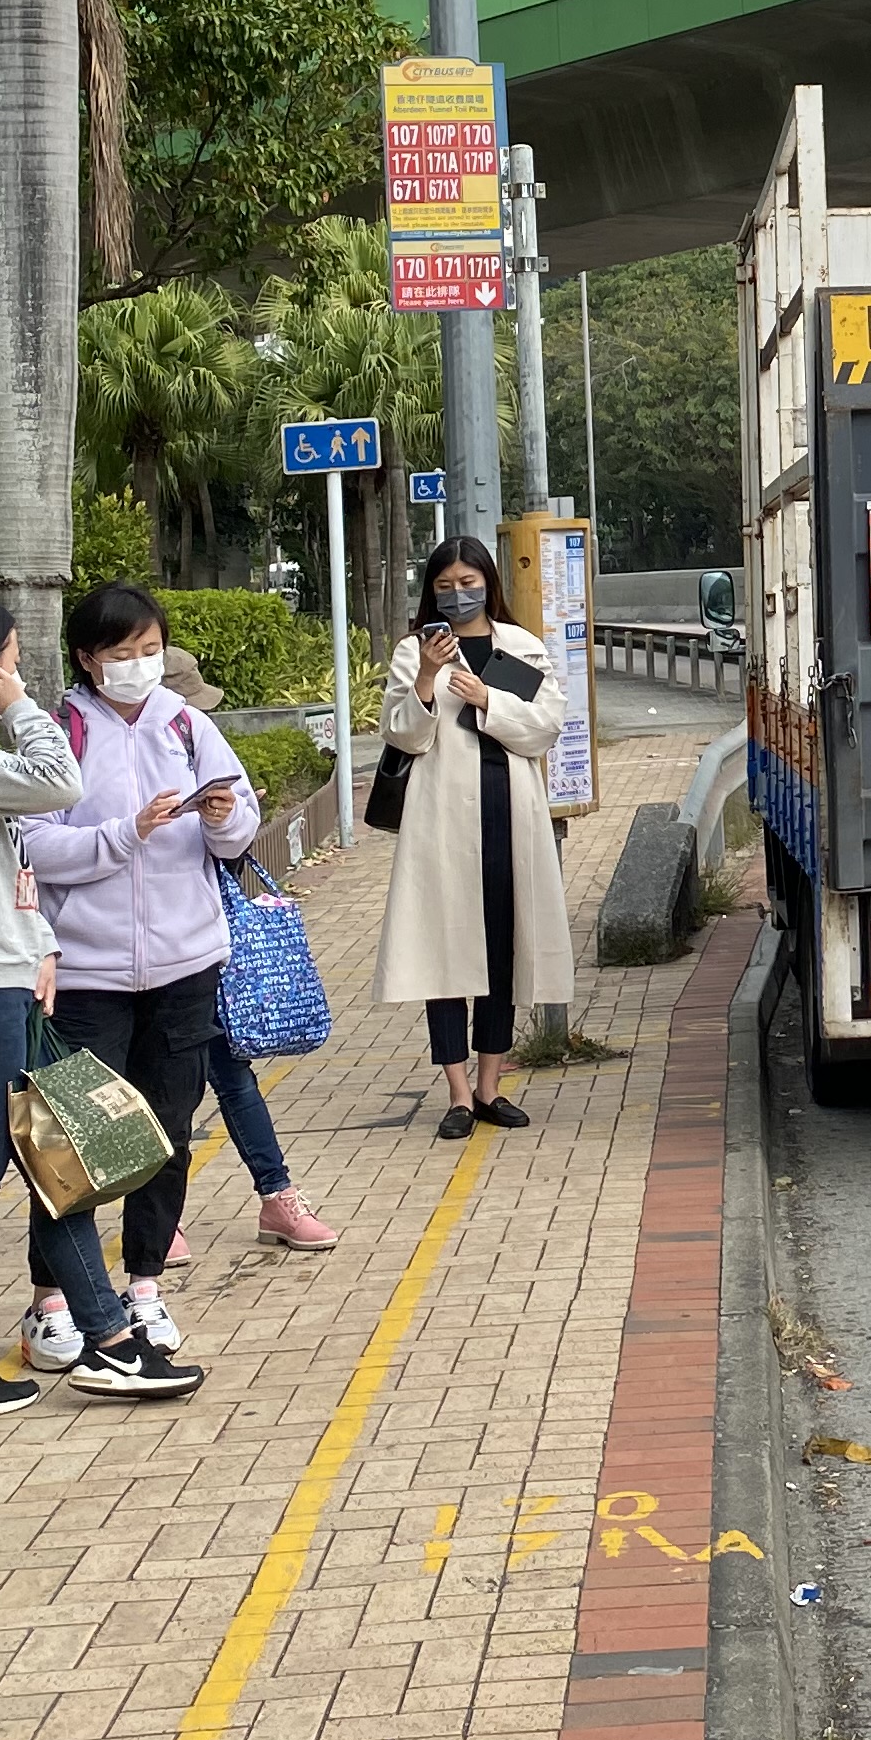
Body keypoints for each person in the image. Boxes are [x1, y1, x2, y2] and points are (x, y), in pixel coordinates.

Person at [0, 594, 202, 1421]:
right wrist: (20, 709)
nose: (20, 675)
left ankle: (102, 1340)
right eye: (11, 661)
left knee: (41, 1161)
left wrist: (40, 948)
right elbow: (60, 779)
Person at [12, 584, 264, 1365]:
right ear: (89, 659)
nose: (138, 666)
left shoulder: (189, 723)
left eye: (149, 650)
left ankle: (144, 1286)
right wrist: (126, 834)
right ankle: (49, 1300)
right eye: (121, 654)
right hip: (87, 972)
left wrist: (225, 820)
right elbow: (32, 844)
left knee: (165, 1133)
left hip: (185, 964)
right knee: (76, 1143)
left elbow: (239, 823)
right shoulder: (57, 734)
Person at [376, 536, 572, 1138]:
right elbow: (403, 736)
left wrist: (490, 699)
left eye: (469, 582)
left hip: (508, 816)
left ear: (488, 582)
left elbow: (546, 728)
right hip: (442, 824)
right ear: (430, 590)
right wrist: (429, 679)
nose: (459, 594)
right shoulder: (415, 652)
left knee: (500, 952)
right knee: (446, 955)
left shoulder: (522, 648)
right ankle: (457, 1093)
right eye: (445, 585)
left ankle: (490, 1087)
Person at [151, 640, 340, 1257]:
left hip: (209, 944)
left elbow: (237, 840)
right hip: (148, 954)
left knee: (229, 1074)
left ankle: (272, 1198)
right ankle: (168, 1215)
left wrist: (220, 812)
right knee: (166, 1087)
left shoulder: (202, 750)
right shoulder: (121, 757)